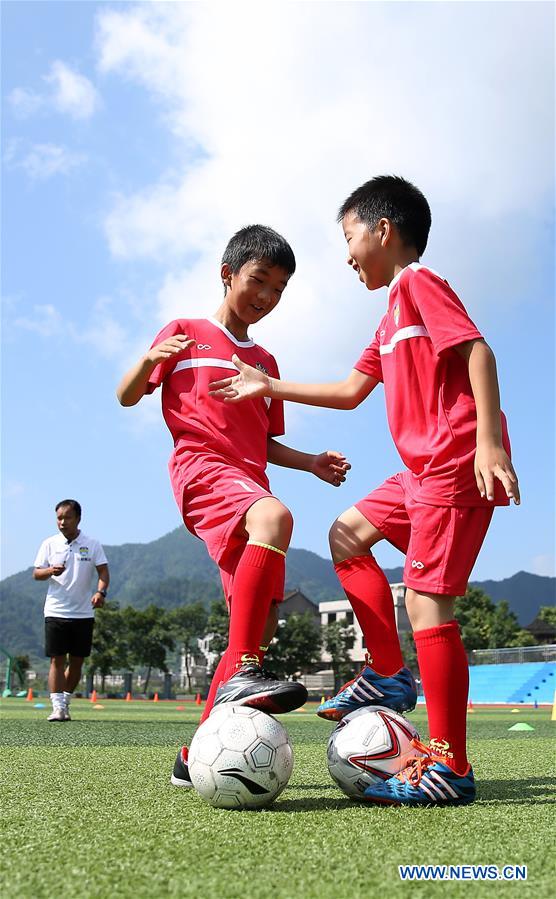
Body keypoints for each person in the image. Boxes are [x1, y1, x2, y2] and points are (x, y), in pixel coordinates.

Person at [208, 176, 520, 807]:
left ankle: (450, 765)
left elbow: (478, 351)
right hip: (417, 473)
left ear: (383, 230)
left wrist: (490, 441)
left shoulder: (418, 283)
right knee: (346, 534)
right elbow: (350, 392)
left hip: (453, 460)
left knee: (431, 605)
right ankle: (387, 673)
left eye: (349, 236)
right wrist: (271, 390)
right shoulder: (390, 318)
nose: (347, 254)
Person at [116, 224, 350, 787]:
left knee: (258, 624)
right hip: (203, 470)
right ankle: (245, 670)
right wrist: (150, 359)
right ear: (229, 274)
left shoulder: (265, 361)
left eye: (279, 288)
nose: (266, 296)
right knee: (276, 518)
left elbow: (263, 443)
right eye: (258, 280)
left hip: (247, 483)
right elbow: (126, 396)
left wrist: (312, 462)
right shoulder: (187, 333)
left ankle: (192, 753)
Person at [33, 499, 109, 721]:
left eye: (67, 517)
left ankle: (65, 702)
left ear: (78, 518)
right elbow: (36, 573)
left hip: (84, 612)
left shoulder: (92, 544)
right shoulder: (49, 544)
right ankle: (57, 707)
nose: (62, 522)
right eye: (59, 518)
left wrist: (100, 593)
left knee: (77, 661)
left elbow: (104, 572)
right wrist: (49, 571)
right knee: (56, 659)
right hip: (56, 610)